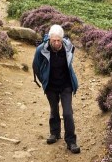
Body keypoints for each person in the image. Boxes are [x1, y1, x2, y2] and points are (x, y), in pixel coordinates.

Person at [32, 24, 80, 154]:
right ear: (49, 39)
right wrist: (44, 81)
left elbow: (70, 63)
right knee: (54, 109)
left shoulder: (68, 47)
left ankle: (71, 141)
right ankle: (55, 133)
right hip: (51, 86)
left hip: (66, 85)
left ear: (62, 39)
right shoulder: (41, 49)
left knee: (68, 113)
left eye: (59, 40)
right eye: (54, 40)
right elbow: (36, 66)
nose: (57, 43)